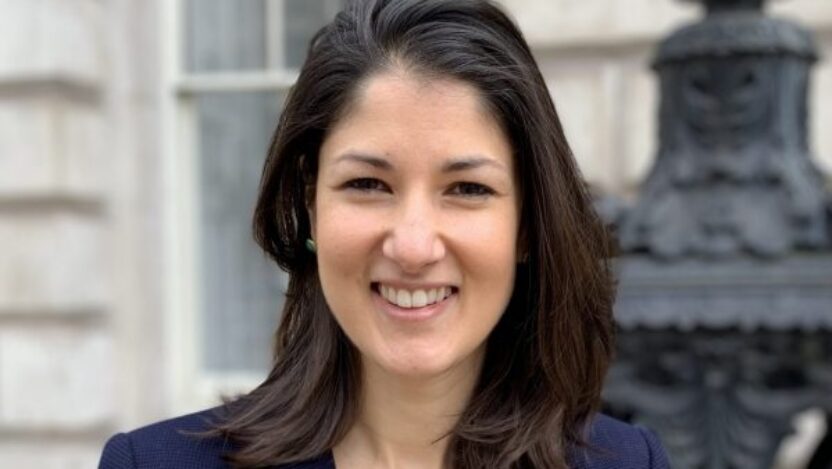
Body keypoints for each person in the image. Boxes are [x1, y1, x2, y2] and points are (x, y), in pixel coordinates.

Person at [99, 0, 670, 467]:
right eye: (369, 184)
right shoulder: (152, 464)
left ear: (526, 225)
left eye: (468, 189)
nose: (414, 247)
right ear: (310, 205)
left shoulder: (624, 463)